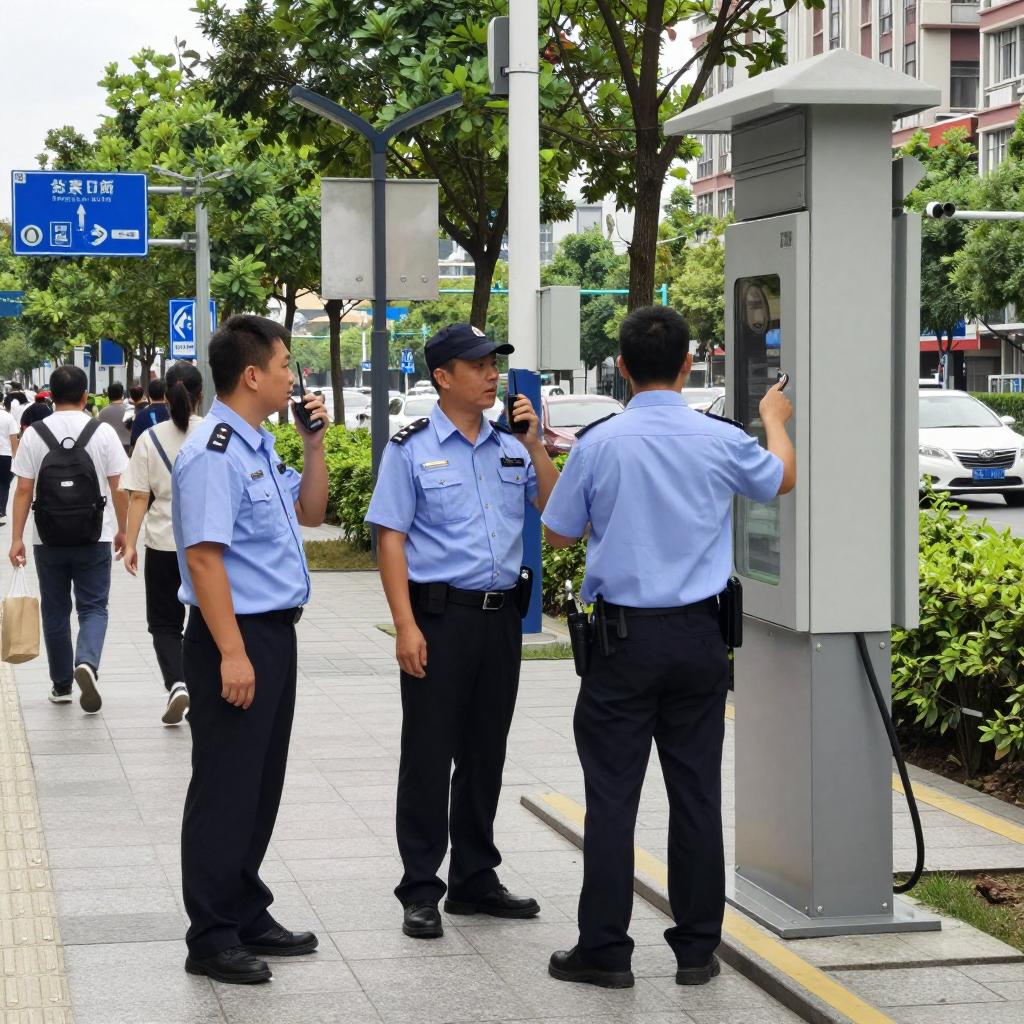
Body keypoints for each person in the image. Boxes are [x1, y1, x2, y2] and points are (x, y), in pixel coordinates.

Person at [540, 306, 795, 990]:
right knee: (696, 795)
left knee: (613, 797)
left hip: (622, 644)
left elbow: (560, 534)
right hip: (699, 638)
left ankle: (605, 951)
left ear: (621, 367)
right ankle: (695, 950)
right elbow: (781, 479)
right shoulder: (719, 438)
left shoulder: (599, 443)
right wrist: (774, 418)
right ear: (688, 364)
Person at [365, 323, 559, 941]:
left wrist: (535, 448)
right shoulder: (411, 448)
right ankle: (421, 887)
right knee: (427, 754)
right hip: (440, 620)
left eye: (493, 363)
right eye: (477, 365)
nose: (490, 374)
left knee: (485, 752)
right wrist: (405, 625)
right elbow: (389, 538)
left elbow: (556, 513)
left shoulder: (509, 446)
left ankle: (476, 877)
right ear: (443, 376)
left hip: (500, 619)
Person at [173, 314, 328, 984]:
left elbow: (313, 514)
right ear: (254, 374)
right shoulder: (213, 452)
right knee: (225, 787)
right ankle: (210, 935)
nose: (294, 375)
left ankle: (243, 906)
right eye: (287, 363)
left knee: (259, 784)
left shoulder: (258, 446)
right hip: (232, 636)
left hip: (273, 633)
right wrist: (232, 653)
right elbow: (204, 560)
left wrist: (313, 446)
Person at [8, 365, 129, 710]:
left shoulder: (34, 434)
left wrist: (16, 537)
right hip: (95, 535)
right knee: (93, 607)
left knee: (56, 610)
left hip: (48, 538)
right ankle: (86, 662)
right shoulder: (101, 432)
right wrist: (123, 529)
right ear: (85, 396)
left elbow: (23, 491)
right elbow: (119, 487)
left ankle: (61, 685)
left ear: (52, 394)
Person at [120, 363, 203, 724]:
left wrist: (130, 543)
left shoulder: (149, 439)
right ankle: (202, 688)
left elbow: (139, 497)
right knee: (206, 620)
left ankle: (178, 683)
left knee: (165, 624)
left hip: (163, 546)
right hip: (209, 547)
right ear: (201, 394)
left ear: (165, 397)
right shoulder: (218, 434)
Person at [129, 378, 170, 450]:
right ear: (165, 394)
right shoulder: (173, 413)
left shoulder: (140, 415)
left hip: (148, 456)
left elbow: (134, 442)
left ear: (149, 395)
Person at [97, 382, 132, 452]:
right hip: (128, 447)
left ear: (109, 396)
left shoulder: (102, 412)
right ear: (122, 394)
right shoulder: (130, 410)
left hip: (109, 448)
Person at [0, 403, 19, 526]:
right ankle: (1, 512)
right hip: (5, 456)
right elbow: (14, 438)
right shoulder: (7, 416)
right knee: (4, 485)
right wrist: (16, 457)